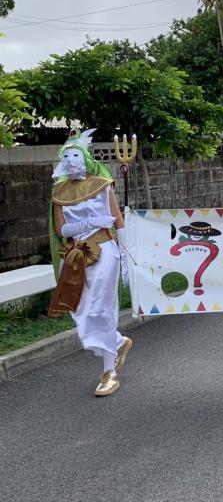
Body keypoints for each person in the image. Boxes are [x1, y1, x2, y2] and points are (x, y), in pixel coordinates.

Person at [48, 129, 132, 397]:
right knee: (81, 309)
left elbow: (118, 221)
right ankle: (118, 341)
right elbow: (61, 230)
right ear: (62, 160)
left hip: (104, 251)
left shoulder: (101, 184)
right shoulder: (59, 191)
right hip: (75, 255)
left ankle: (110, 372)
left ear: (85, 157)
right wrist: (88, 222)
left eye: (76, 154)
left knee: (100, 307)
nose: (72, 159)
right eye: (67, 155)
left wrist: (126, 255)